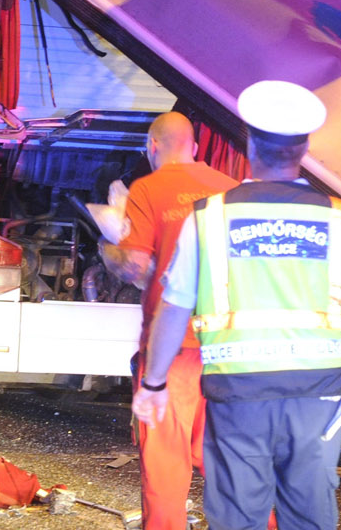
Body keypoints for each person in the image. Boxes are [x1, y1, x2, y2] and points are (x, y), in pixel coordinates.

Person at [132, 81, 341, 530]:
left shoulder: (210, 218)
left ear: (250, 144)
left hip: (240, 393)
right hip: (319, 393)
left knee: (239, 513)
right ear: (305, 148)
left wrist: (154, 383)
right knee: (309, 512)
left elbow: (174, 308)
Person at [102, 112, 237, 530]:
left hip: (173, 349)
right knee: (232, 459)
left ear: (152, 146)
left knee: (165, 461)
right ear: (195, 148)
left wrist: (110, 244)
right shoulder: (232, 190)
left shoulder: (148, 189)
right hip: (231, 350)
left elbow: (135, 266)